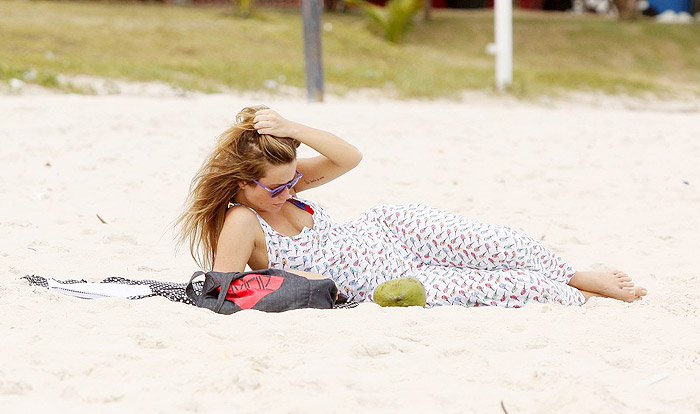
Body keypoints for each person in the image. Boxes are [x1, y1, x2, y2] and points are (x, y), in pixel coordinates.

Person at [176, 105, 647, 308]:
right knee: (517, 288)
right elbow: (223, 288)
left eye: (294, 179)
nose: (290, 192)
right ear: (241, 185)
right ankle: (571, 290)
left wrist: (292, 127)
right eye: (277, 188)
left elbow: (349, 157)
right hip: (387, 282)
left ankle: (573, 273)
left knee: (497, 243)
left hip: (388, 230)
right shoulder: (242, 218)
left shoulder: (284, 186)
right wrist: (301, 280)